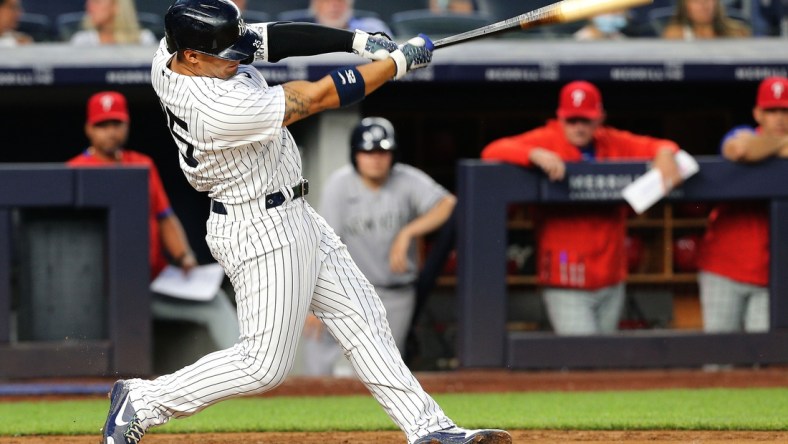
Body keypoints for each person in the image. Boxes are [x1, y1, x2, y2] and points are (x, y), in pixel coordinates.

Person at [100, 1, 511, 444]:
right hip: (258, 226)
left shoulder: (171, 51)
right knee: (263, 365)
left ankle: (429, 428)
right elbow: (316, 96)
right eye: (228, 55)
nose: (240, 58)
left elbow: (273, 39)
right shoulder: (218, 108)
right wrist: (396, 65)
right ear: (194, 56)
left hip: (291, 212)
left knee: (363, 318)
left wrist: (354, 41)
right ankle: (142, 402)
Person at [481, 80, 684, 336]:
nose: (578, 127)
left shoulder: (611, 141)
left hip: (611, 276)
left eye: (585, 120)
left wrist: (666, 153)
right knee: (582, 357)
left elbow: (660, 144)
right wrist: (533, 154)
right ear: (560, 117)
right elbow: (491, 151)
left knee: (601, 364)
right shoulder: (546, 139)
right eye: (572, 120)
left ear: (599, 118)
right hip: (565, 276)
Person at [68, 91, 239, 354]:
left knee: (214, 302)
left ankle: (247, 368)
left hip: (148, 284)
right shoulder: (74, 170)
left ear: (126, 125)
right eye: (102, 125)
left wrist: (184, 257)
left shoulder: (141, 164)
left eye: (116, 123)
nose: (110, 132)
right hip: (95, 290)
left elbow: (164, 217)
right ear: (88, 129)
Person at [301, 117, 457, 376]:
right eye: (368, 151)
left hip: (393, 295)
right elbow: (321, 245)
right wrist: (314, 301)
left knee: (381, 370)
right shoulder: (339, 185)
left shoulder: (407, 179)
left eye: (382, 151)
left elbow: (448, 205)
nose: (376, 158)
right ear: (355, 155)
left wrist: (409, 231)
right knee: (319, 364)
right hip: (345, 291)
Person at [697, 76, 788, 333]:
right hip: (725, 268)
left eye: (785, 110)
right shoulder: (743, 134)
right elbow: (737, 149)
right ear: (758, 113)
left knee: (763, 364)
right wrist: (782, 144)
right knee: (718, 360)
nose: (779, 118)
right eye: (772, 111)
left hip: (774, 276)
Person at [70, 0, 158, 45]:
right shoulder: (82, 41)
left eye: (96, 1)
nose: (89, 6)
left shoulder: (144, 40)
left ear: (116, 6)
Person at [661, 0, 750, 40]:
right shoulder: (675, 35)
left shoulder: (738, 33)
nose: (704, 5)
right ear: (685, 6)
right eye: (696, 1)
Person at [309, 0, 392, 35]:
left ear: (349, 5)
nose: (334, 7)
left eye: (340, 1)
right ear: (316, 7)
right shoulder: (304, 33)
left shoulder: (374, 29)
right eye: (326, 1)